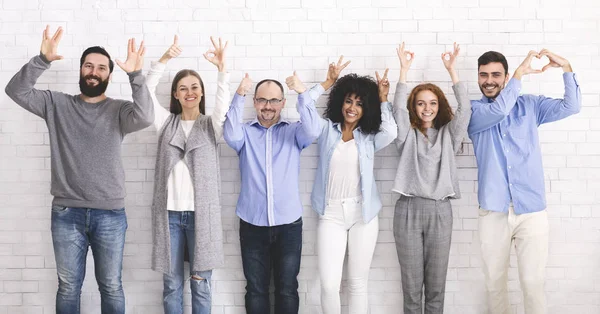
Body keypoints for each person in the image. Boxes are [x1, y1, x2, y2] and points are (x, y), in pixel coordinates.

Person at [4, 25, 154, 314]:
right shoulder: (56, 104)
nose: (94, 72)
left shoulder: (120, 111)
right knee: (68, 287)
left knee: (111, 286)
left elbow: (146, 116)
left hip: (110, 214)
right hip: (66, 213)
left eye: (100, 68)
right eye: (88, 66)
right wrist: (42, 59)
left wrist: (136, 75)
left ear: (110, 75)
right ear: (81, 71)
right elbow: (15, 90)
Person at [469, 49, 581, 314]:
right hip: (493, 211)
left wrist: (566, 66)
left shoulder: (530, 106)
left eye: (496, 74)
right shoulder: (473, 112)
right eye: (483, 75)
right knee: (495, 284)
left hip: (531, 210)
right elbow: (499, 111)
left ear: (505, 77)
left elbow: (571, 106)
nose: (489, 81)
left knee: (532, 282)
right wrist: (519, 75)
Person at [223, 68, 322, 314]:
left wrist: (302, 93)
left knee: (287, 288)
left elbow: (314, 130)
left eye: (274, 100)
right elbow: (229, 132)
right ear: (255, 102)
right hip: (252, 223)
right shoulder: (244, 133)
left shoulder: (295, 131)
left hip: (288, 224)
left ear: (282, 102)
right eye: (262, 100)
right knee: (256, 288)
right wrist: (239, 94)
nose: (268, 106)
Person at [146, 35, 230, 314]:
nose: (189, 92)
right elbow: (144, 95)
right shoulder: (165, 123)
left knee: (201, 283)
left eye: (194, 87)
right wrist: (164, 60)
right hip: (168, 216)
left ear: (202, 92)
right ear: (175, 95)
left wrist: (221, 70)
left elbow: (223, 106)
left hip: (201, 216)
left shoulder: (211, 126)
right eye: (183, 88)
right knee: (171, 285)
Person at [310, 57, 398, 314]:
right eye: (349, 101)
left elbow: (391, 132)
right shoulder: (326, 130)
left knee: (358, 284)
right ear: (340, 102)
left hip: (363, 215)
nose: (352, 107)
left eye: (359, 104)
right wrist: (326, 82)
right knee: (329, 285)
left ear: (366, 108)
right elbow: (304, 106)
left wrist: (383, 99)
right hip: (331, 214)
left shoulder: (369, 138)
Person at [391, 42, 470, 314]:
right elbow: (398, 111)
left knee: (436, 286)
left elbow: (466, 110)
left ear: (440, 106)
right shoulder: (405, 136)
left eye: (433, 103)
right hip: (408, 210)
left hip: (440, 211)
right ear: (415, 106)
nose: (427, 108)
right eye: (421, 103)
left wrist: (453, 72)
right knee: (411, 287)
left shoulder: (450, 135)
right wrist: (403, 71)